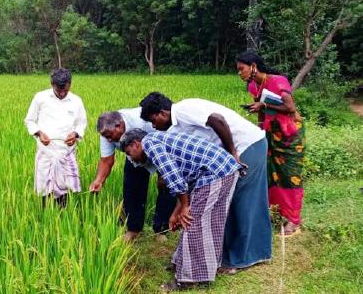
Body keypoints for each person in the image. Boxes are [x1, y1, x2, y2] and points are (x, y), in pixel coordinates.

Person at [139, 92, 272, 273]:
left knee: (240, 201)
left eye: (153, 120)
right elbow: (186, 178)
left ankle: (240, 258)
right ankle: (238, 253)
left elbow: (216, 120)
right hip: (230, 156)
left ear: (163, 112)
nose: (154, 126)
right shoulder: (174, 130)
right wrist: (179, 209)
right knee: (232, 202)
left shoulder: (185, 108)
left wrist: (233, 153)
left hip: (246, 145)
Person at [120, 129, 241, 290]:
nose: (132, 159)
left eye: (129, 153)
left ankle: (188, 279)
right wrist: (177, 211)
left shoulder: (149, 145)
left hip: (215, 173)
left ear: (136, 144)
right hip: (223, 169)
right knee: (210, 223)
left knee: (193, 222)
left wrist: (185, 207)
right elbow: (185, 180)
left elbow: (174, 178)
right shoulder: (156, 139)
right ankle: (196, 266)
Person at [236, 51, 306, 236]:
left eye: (241, 69)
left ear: (253, 66)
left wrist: (265, 106)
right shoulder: (253, 86)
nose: (239, 73)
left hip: (289, 135)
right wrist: (258, 127)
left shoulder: (277, 81)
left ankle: (294, 221)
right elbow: (260, 112)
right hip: (270, 133)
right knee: (271, 173)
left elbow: (289, 107)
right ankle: (277, 212)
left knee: (290, 174)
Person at [90, 110, 176, 241]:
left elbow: (168, 141)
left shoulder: (144, 121)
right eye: (105, 137)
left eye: (109, 135)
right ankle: (133, 229)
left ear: (119, 125)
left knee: (166, 186)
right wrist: (99, 181)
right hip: (135, 156)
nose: (108, 139)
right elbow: (106, 160)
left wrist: (163, 173)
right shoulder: (106, 132)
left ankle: (161, 230)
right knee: (131, 189)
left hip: (162, 151)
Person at [24, 68, 87, 208]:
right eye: (59, 91)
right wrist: (39, 133)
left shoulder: (76, 101)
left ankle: (62, 214)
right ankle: (46, 214)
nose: (62, 93)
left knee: (65, 187)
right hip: (46, 151)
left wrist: (75, 135)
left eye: (65, 90)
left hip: (66, 151)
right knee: (44, 187)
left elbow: (81, 123)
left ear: (70, 84)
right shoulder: (40, 98)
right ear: (52, 84)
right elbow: (30, 121)